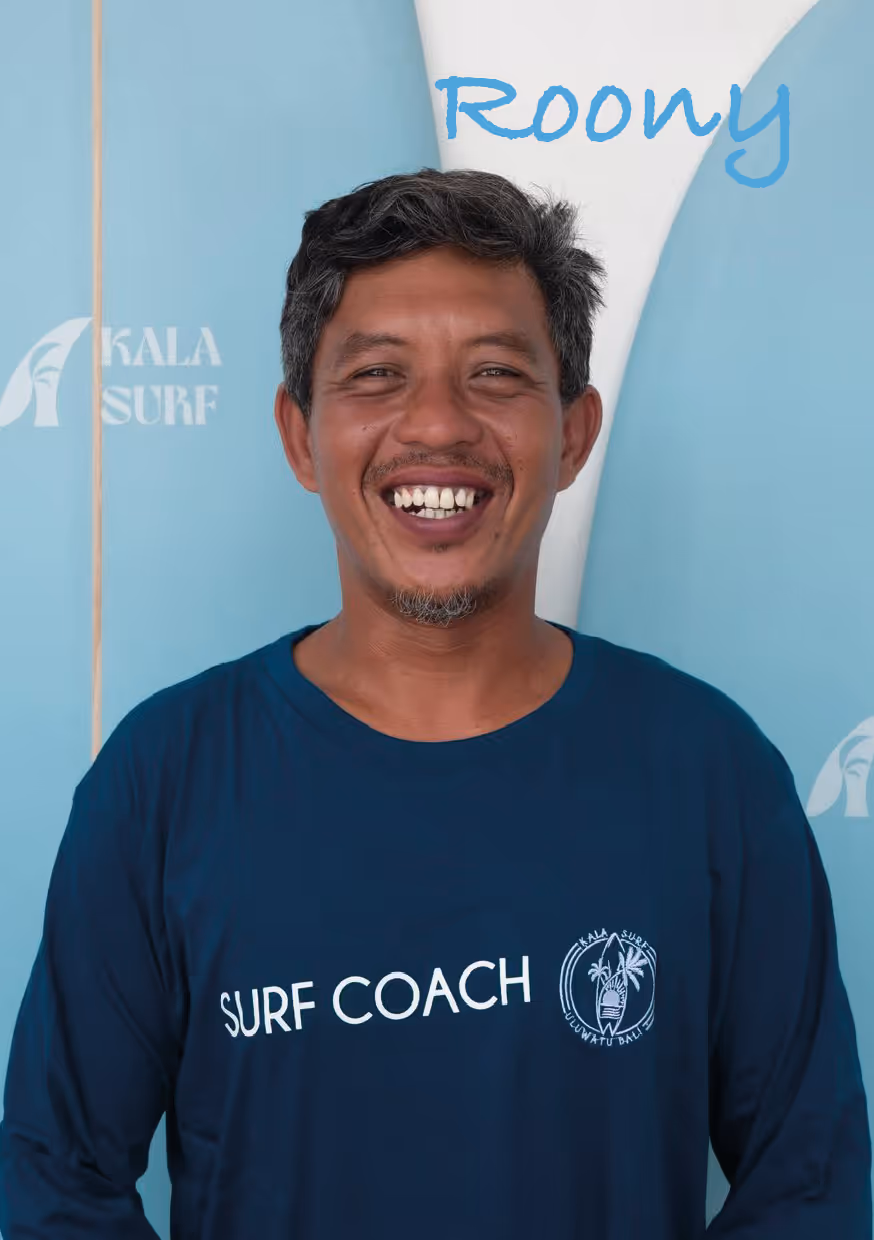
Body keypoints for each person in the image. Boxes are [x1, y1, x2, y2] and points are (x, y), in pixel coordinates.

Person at [0, 168, 870, 1239]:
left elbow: (810, 1187)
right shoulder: (164, 779)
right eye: (376, 375)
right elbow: (53, 1182)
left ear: (574, 431)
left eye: (497, 373)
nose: (437, 427)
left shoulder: (710, 773)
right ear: (299, 433)